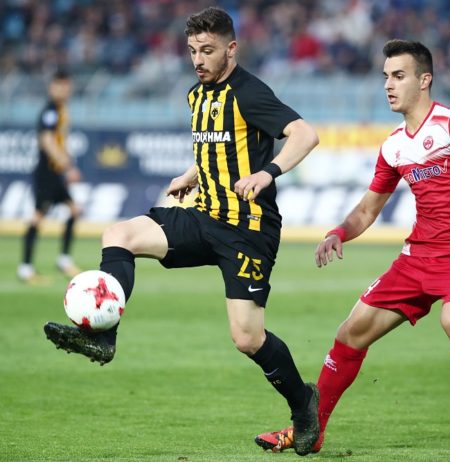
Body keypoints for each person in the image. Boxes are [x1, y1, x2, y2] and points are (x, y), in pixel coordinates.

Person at [43, 7, 320, 456]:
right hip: (202, 214)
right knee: (119, 235)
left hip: (247, 229)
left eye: (207, 50)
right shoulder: (196, 96)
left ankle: (303, 405)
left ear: (231, 48)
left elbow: (305, 134)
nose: (198, 59)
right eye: (192, 50)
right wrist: (192, 174)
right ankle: (103, 336)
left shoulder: (249, 93)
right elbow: (218, 144)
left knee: (247, 338)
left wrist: (267, 172)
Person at [255, 39, 450, 462]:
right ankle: (311, 428)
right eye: (385, 77)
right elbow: (367, 209)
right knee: (350, 332)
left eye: (398, 76)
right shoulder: (395, 145)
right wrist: (340, 232)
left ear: (424, 80)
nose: (388, 85)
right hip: (419, 255)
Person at [18, 70, 82, 284]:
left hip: (55, 173)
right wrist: (68, 167)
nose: (64, 90)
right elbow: (47, 141)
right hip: (47, 172)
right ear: (52, 87)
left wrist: (65, 163)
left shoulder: (61, 109)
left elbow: (59, 141)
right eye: (59, 86)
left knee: (74, 210)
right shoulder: (50, 111)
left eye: (66, 86)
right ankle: (25, 268)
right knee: (38, 217)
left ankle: (64, 260)